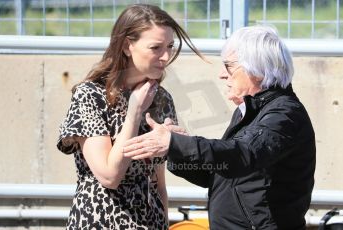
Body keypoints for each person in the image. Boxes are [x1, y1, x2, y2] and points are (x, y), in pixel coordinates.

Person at [123, 25, 316, 230]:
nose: (222, 75)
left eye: (229, 66)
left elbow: (244, 154)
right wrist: (176, 149)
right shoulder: (250, 111)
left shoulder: (284, 115)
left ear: (257, 71)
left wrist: (175, 143)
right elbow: (222, 173)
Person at [56, 4, 205, 229]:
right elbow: (109, 176)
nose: (165, 57)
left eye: (170, 46)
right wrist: (134, 111)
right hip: (101, 221)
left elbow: (159, 184)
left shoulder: (162, 99)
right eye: (155, 47)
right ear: (127, 46)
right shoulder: (90, 95)